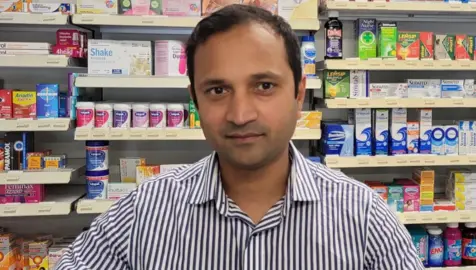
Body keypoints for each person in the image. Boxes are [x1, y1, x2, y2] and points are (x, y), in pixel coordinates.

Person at [56, 4, 424, 270]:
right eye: (217, 90)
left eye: (264, 85)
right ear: (195, 100)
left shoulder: (365, 218)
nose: (240, 114)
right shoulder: (142, 213)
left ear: (298, 93)